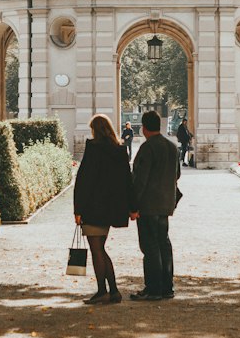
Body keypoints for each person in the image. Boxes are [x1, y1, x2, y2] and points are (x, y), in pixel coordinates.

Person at [73, 113, 135, 306]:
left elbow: (84, 180)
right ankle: (113, 291)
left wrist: (78, 209)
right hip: (110, 209)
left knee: (97, 250)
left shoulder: (93, 148)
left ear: (95, 130)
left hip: (93, 207)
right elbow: (127, 181)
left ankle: (103, 291)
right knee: (100, 248)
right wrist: (131, 207)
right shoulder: (119, 150)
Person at [129, 109, 180, 302]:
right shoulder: (172, 146)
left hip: (148, 205)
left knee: (150, 247)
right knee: (164, 244)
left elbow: (140, 180)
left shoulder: (147, 148)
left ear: (143, 128)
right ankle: (167, 287)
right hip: (166, 203)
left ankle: (153, 288)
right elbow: (177, 175)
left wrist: (133, 206)